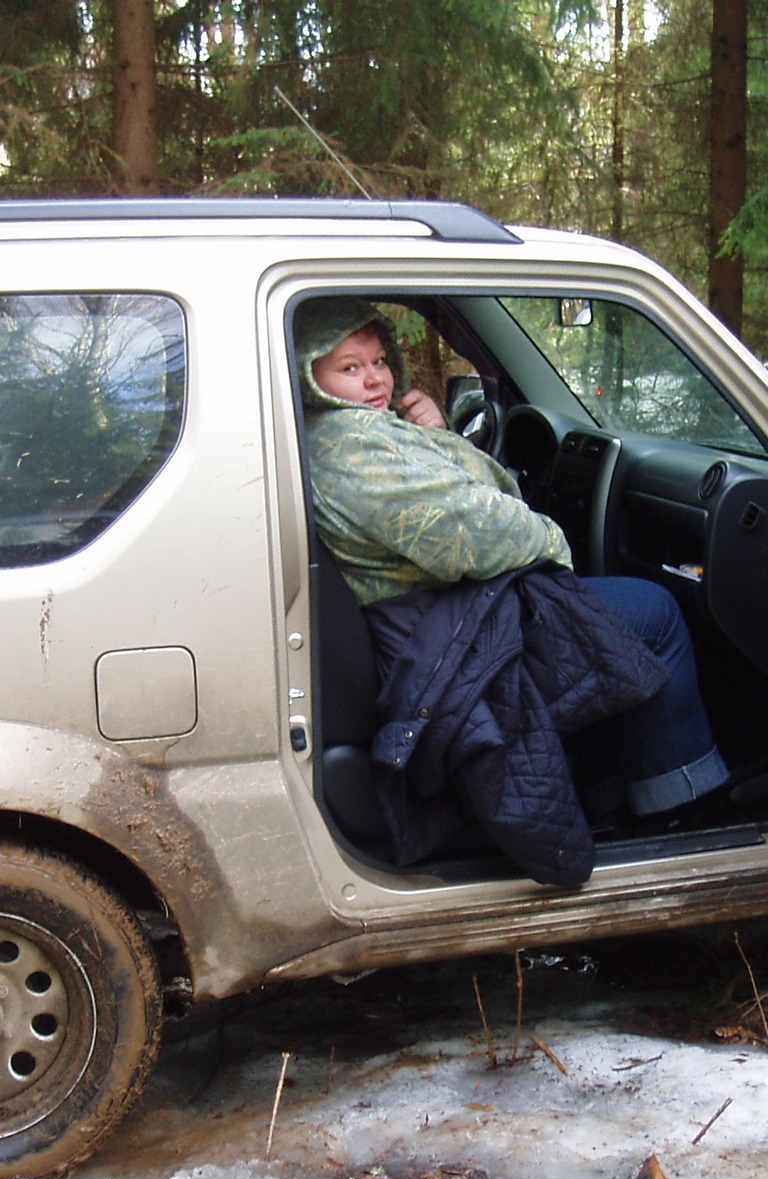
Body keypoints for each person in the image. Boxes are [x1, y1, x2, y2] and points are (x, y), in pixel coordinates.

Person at [294, 297, 728, 858]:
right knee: (654, 614)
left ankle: (608, 793)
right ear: (312, 377)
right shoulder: (351, 447)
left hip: (449, 621)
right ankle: (682, 808)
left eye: (378, 361)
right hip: (443, 647)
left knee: (619, 614)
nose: (375, 379)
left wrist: (436, 435)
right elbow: (472, 531)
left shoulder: (360, 432)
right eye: (349, 368)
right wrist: (552, 540)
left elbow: (459, 499)